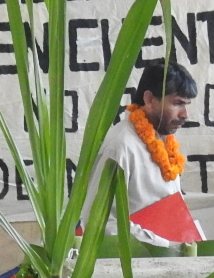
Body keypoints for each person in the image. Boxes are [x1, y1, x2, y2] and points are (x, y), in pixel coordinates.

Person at [81, 61, 198, 246]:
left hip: (167, 260)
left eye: (187, 105)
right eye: (177, 104)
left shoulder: (163, 139)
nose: (185, 114)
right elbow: (99, 222)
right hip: (133, 265)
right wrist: (166, 245)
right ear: (149, 99)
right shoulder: (120, 146)